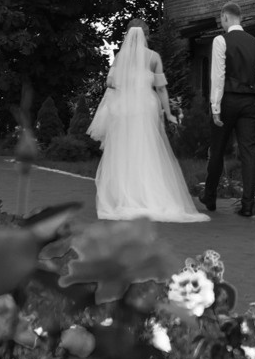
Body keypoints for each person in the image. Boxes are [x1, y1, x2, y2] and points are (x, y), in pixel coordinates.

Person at [87, 21, 207, 223]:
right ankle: (150, 194)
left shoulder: (120, 57)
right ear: (146, 34)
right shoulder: (153, 57)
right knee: (147, 148)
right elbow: (161, 88)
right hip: (146, 107)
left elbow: (109, 83)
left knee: (123, 151)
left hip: (124, 109)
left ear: (128, 35)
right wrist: (168, 113)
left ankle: (124, 197)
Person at [202, 6, 255, 216]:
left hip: (227, 101)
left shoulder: (221, 41)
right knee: (248, 152)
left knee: (218, 150)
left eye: (221, 20)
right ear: (241, 18)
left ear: (225, 17)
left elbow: (218, 76)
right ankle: (248, 205)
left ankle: (210, 197)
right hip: (249, 102)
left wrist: (215, 106)